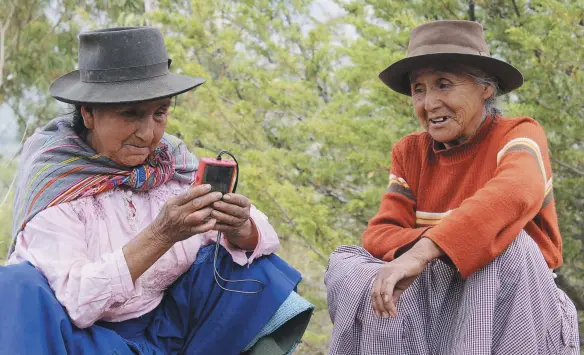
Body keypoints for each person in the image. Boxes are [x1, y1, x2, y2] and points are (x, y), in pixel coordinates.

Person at [0, 27, 313, 355]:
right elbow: (79, 302)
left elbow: (261, 236)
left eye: (159, 112)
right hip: (87, 340)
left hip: (168, 328)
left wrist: (240, 226)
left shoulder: (171, 163)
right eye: (130, 114)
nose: (148, 133)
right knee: (16, 285)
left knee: (250, 269)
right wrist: (161, 235)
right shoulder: (59, 183)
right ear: (88, 113)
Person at [325, 20, 580, 354]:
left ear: (485, 88)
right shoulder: (411, 152)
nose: (429, 103)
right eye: (419, 89)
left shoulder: (520, 135)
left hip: (519, 308)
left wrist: (425, 252)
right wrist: (444, 248)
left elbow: (514, 192)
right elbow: (379, 235)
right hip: (436, 304)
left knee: (505, 242)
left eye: (443, 85)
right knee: (347, 264)